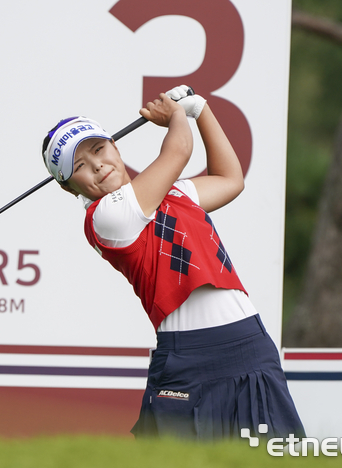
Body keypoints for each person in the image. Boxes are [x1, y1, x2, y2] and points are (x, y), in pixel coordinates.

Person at [41, 86, 304, 440]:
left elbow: (231, 179)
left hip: (251, 343)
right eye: (80, 167)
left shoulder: (176, 193)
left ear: (116, 147)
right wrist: (176, 116)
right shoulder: (107, 218)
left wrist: (201, 109)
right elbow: (179, 149)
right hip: (190, 358)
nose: (98, 166)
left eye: (99, 149)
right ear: (70, 187)